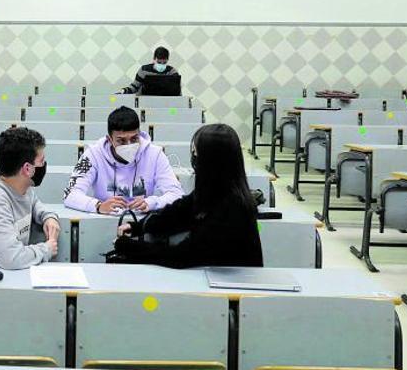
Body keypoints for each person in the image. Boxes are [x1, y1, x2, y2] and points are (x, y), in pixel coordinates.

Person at [112, 124, 263, 268]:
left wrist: (132, 248)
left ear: (211, 161)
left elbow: (183, 256)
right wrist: (139, 226)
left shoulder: (233, 207)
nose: (193, 159)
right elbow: (180, 210)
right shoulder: (214, 190)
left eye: (196, 154)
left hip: (235, 286)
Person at [0, 127, 60, 270]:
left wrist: (48, 217)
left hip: (7, 263)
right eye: (41, 161)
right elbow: (11, 258)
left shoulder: (21, 185)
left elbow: (34, 203)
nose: (44, 165)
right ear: (27, 169)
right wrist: (46, 249)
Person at [63, 106, 183, 214]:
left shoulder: (155, 154)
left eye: (134, 138)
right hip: (105, 217)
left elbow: (177, 194)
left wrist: (152, 202)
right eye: (121, 140)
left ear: (139, 135)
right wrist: (98, 206)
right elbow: (70, 194)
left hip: (141, 221)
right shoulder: (92, 155)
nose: (129, 145)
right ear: (109, 139)